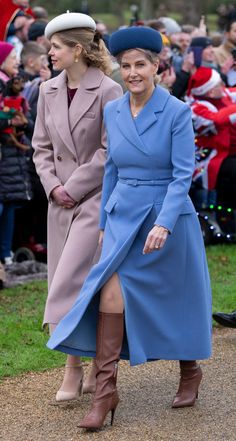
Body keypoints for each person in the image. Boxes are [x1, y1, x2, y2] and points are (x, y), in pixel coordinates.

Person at [47, 26, 212, 430]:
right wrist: (103, 223)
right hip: (122, 219)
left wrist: (165, 223)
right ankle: (105, 395)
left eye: (141, 65)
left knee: (175, 299)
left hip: (167, 219)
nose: (133, 72)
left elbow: (181, 175)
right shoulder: (113, 110)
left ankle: (189, 370)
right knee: (110, 296)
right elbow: (112, 171)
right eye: (126, 66)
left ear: (157, 67)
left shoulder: (176, 112)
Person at [32, 12, 122, 403]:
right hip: (58, 205)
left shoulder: (108, 90)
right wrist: (54, 187)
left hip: (93, 201)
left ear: (78, 49)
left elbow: (110, 149)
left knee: (71, 284)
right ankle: (81, 366)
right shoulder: (46, 90)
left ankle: (73, 367)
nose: (49, 53)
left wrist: (74, 186)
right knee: (63, 282)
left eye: (55, 47)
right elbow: (41, 148)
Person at [0, 41, 32, 265]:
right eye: (13, 58)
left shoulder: (10, 84)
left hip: (11, 155)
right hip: (4, 154)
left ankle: (5, 254)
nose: (17, 62)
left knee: (9, 204)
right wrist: (10, 120)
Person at [187, 67, 236, 209]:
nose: (223, 85)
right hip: (208, 160)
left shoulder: (223, 94)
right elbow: (217, 120)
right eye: (219, 83)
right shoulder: (195, 108)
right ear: (210, 91)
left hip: (228, 155)